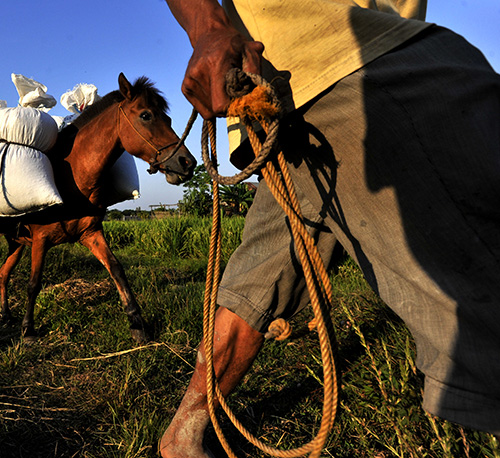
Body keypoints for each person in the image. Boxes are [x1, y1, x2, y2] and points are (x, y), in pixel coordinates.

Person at [160, 0, 500, 456]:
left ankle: (184, 434)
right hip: (348, 61)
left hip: (312, 87)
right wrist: (207, 25)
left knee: (255, 286)